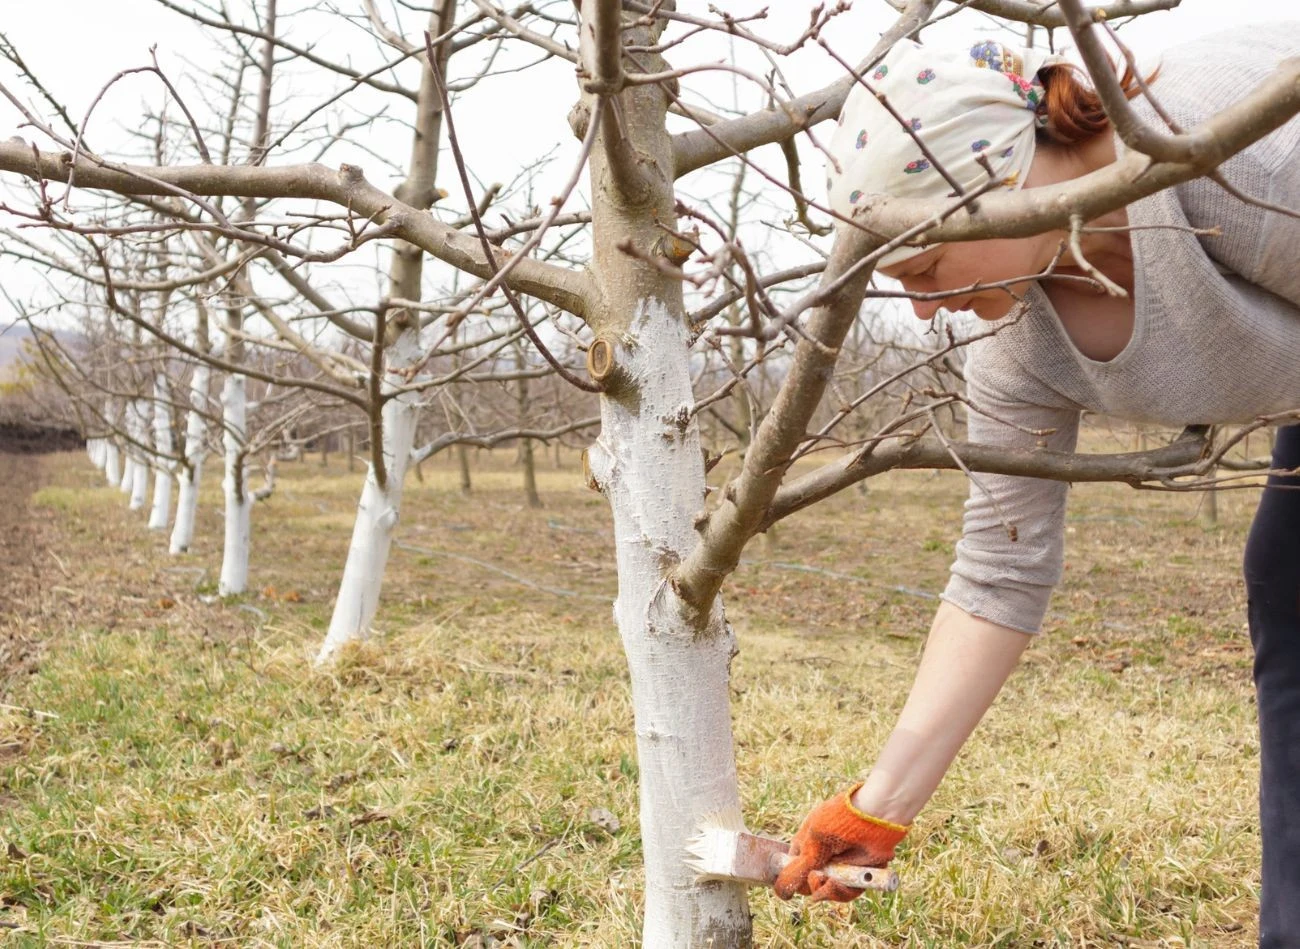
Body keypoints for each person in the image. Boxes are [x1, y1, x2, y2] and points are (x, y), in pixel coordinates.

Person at [774, 25, 1300, 948]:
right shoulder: (1012, 340)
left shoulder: (1226, 151)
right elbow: (998, 573)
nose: (924, 308)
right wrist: (879, 807)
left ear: (999, 186)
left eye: (927, 267)